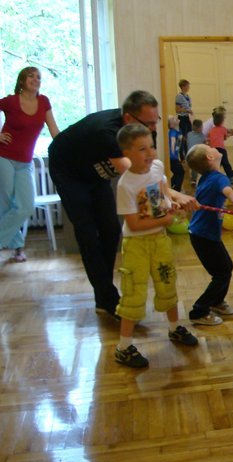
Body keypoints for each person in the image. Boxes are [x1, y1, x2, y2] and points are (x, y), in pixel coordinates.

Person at [48, 90, 197, 318]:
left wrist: (167, 199)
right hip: (69, 170)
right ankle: (107, 298)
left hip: (95, 175)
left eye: (155, 121)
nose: (153, 128)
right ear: (128, 119)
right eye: (148, 122)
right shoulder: (106, 133)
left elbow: (154, 171)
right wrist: (174, 197)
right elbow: (139, 177)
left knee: (110, 229)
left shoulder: (145, 131)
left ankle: (103, 295)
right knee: (87, 233)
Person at [113, 124, 199, 368]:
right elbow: (134, 223)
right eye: (142, 149)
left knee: (167, 282)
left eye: (151, 146)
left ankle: (174, 328)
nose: (150, 153)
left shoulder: (158, 168)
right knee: (134, 292)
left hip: (160, 240)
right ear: (126, 154)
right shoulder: (125, 185)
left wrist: (175, 202)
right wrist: (168, 219)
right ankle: (124, 347)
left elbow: (160, 195)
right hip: (136, 245)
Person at [0, 66, 59, 262]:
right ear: (22, 81)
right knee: (8, 203)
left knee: (25, 206)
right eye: (31, 76)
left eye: (38, 77)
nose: (36, 79)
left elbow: (53, 128)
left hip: (25, 162)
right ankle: (17, 246)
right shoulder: (10, 101)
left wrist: (65, 146)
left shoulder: (43, 102)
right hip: (4, 157)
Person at [186, 144, 233, 326]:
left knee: (226, 267)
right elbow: (228, 192)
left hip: (203, 234)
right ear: (210, 157)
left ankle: (216, 302)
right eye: (210, 147)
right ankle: (199, 310)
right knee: (222, 272)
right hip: (203, 235)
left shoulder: (206, 177)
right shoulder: (218, 179)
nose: (214, 147)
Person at [208, 110, 233, 184]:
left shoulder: (211, 130)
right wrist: (231, 134)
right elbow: (225, 137)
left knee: (216, 164)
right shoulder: (223, 129)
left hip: (213, 149)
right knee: (226, 163)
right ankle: (231, 177)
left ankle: (211, 178)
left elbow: (210, 138)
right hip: (221, 149)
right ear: (222, 121)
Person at [175, 79, 193, 160]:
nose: (188, 87)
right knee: (183, 137)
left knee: (188, 137)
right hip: (182, 118)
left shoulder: (187, 96)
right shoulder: (179, 96)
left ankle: (188, 154)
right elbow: (177, 110)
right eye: (187, 86)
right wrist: (187, 110)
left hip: (187, 118)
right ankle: (182, 156)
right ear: (183, 86)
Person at [186, 118, 206, 187]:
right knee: (199, 166)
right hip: (196, 154)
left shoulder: (189, 134)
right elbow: (204, 143)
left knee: (194, 168)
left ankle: (193, 180)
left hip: (188, 155)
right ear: (199, 128)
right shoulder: (201, 135)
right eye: (202, 127)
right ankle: (199, 179)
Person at [167, 116, 184, 191]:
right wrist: (173, 151)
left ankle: (169, 186)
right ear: (171, 125)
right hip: (172, 157)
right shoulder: (172, 131)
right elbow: (173, 140)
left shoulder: (179, 130)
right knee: (181, 172)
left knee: (178, 173)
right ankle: (176, 189)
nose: (176, 118)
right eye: (173, 119)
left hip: (175, 157)